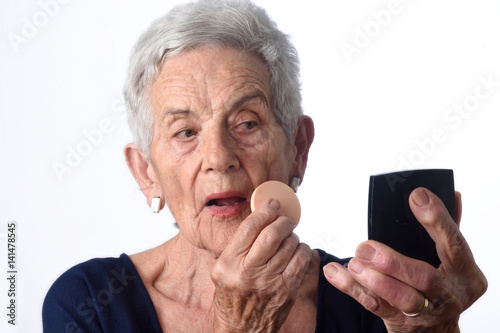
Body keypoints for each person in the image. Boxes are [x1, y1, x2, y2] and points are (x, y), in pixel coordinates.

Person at [42, 0, 487, 332]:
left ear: (298, 148)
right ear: (146, 172)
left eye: (247, 122)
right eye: (185, 132)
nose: (218, 158)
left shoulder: (375, 304)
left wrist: (435, 331)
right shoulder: (88, 305)